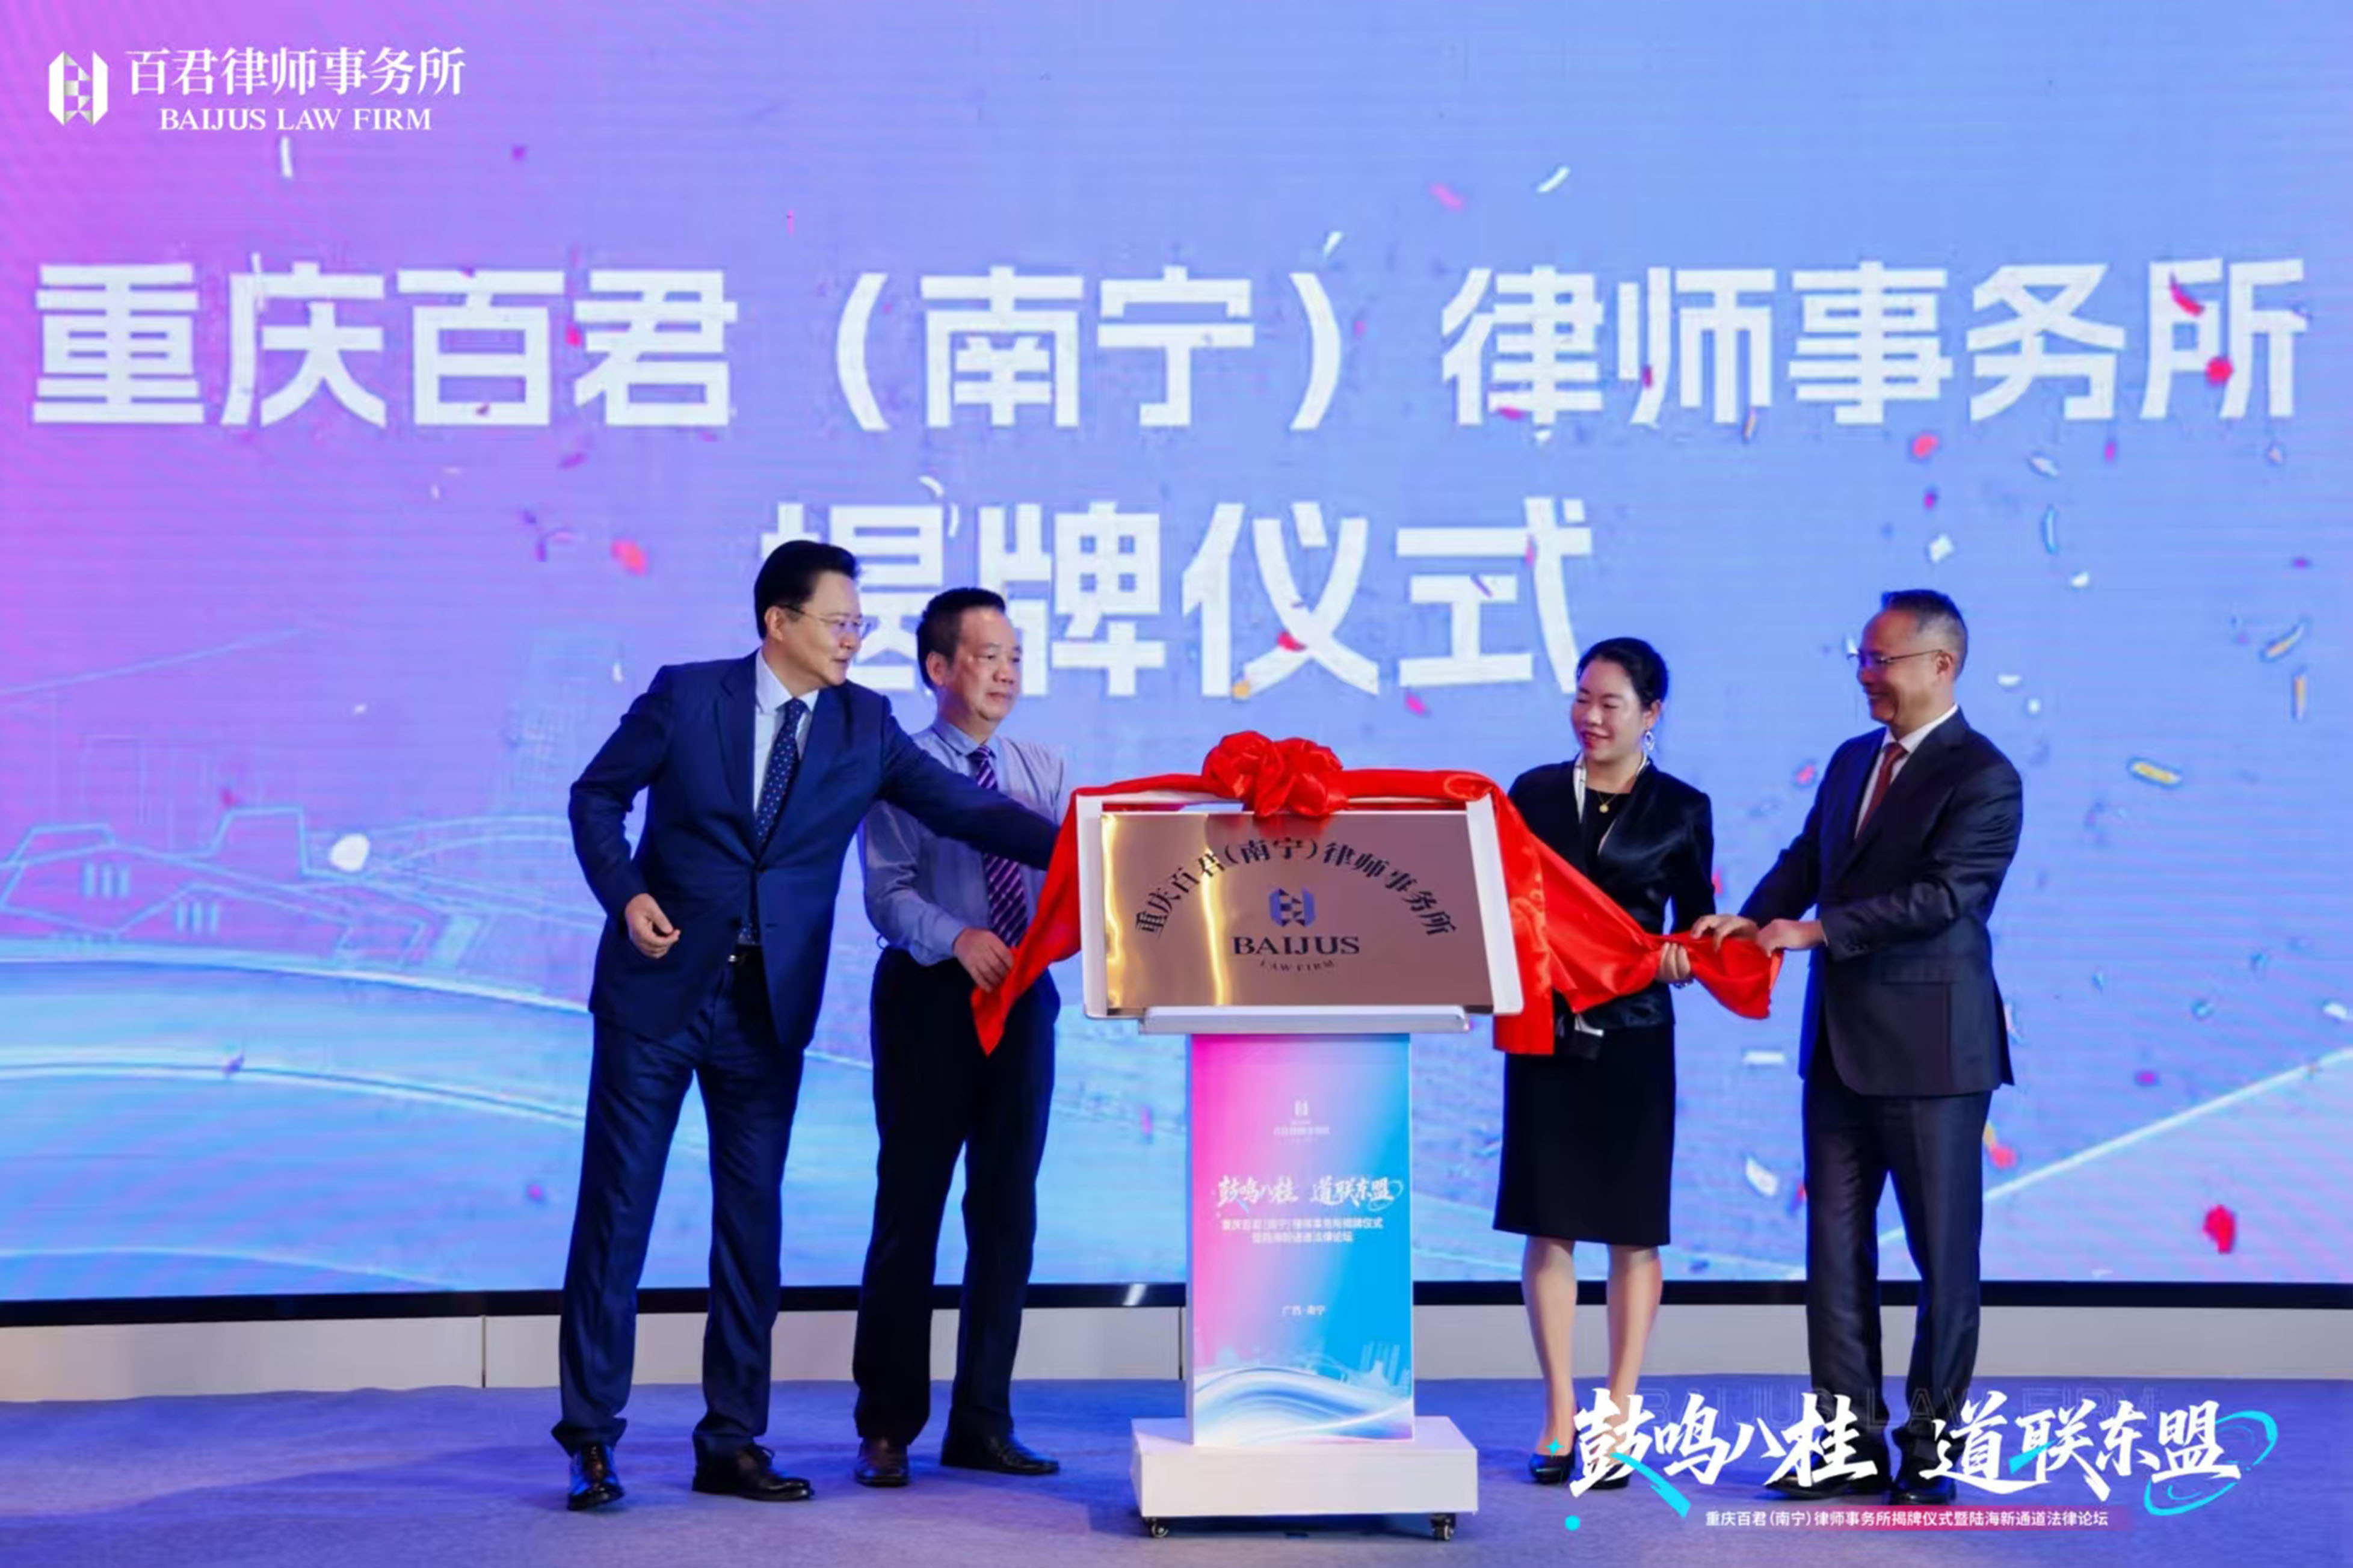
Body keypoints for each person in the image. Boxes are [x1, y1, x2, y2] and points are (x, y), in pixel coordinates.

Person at [554, 541, 1060, 1512]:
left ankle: (731, 1441)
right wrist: (625, 894)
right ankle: (591, 1440)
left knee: (752, 1228)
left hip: (766, 1007)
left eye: (860, 625)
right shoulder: (686, 696)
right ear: (778, 623)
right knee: (618, 1216)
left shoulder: (864, 724)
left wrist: (1103, 845)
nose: (853, 640)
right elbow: (596, 797)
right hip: (657, 995)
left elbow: (969, 812)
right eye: (839, 622)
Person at [1695, 589, 2021, 1508]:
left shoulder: (1985, 776)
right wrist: (1750, 919)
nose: (1867, 675)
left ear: (1942, 665)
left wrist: (1817, 932)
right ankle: (1846, 1444)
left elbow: (1944, 898)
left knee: (1942, 1263)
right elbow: (1809, 858)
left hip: (1933, 1057)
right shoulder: (1850, 761)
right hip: (1839, 1049)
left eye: (1883, 660)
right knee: (1835, 1258)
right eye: (1862, 658)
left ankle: (1930, 1449)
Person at [849, 589, 1069, 1489]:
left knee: (1007, 1214)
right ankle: (886, 1427)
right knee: (911, 1212)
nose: (1007, 672)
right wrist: (957, 937)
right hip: (930, 999)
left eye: (1015, 655)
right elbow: (886, 893)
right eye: (987, 655)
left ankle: (983, 1421)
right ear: (938, 668)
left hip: (1022, 1001)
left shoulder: (1044, 768)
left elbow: (1073, 881)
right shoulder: (899, 767)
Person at [1496, 637, 1711, 1489]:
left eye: (1610, 703)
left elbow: (1699, 921)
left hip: (1635, 1034)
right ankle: (1559, 1413)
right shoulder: (1534, 794)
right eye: (1582, 698)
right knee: (1548, 1221)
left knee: (1632, 1227)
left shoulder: (1682, 808)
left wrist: (1687, 957)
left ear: (1651, 714)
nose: (1590, 716)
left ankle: (1618, 1418)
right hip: (1547, 1032)